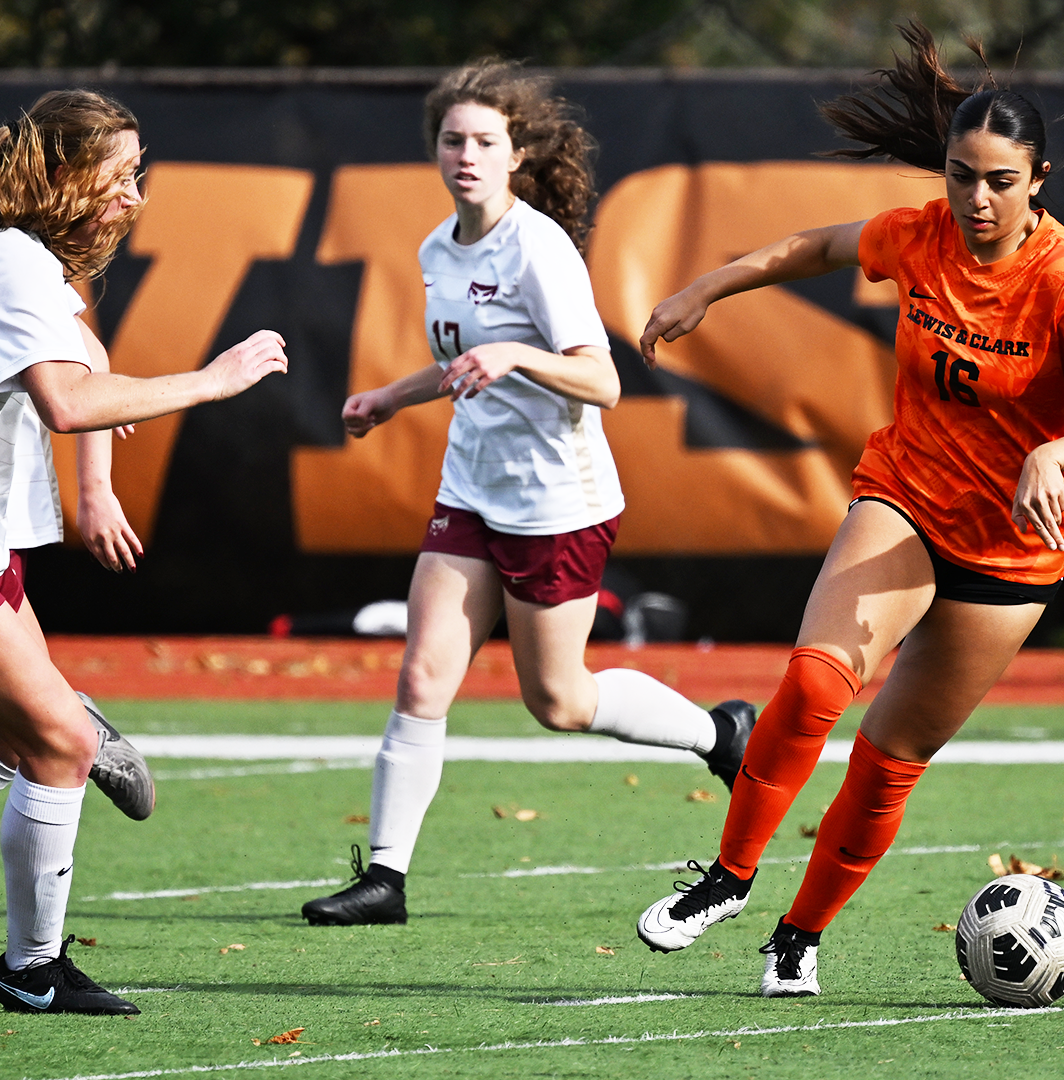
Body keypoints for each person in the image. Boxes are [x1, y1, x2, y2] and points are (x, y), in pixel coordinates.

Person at [632, 23, 1064, 997]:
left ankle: (798, 939)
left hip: (1011, 552)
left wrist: (1058, 450)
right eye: (962, 176)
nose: (977, 198)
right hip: (909, 497)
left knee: (888, 762)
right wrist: (708, 287)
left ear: (1038, 181)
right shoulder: (921, 236)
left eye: (1000, 181)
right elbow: (816, 246)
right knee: (814, 684)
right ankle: (729, 877)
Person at [301, 61, 754, 929]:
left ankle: (721, 734)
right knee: (422, 675)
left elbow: (602, 380)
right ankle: (385, 880)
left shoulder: (537, 247)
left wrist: (516, 354)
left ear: (517, 155)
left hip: (555, 502)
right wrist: (392, 396)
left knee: (559, 702)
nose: (466, 156)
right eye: (452, 140)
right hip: (471, 487)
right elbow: (461, 361)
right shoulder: (438, 248)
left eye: (484, 141)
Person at [0, 88, 290, 1013]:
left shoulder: (30, 262)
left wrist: (95, 487)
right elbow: (70, 401)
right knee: (56, 742)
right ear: (63, 172)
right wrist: (211, 382)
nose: (136, 195)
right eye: (120, 174)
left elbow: (85, 355)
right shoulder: (15, 259)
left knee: (30, 741)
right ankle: (31, 972)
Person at [2, 307, 153, 824]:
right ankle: (66, 714)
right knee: (28, 740)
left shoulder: (13, 263)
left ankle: (67, 718)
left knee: (47, 742)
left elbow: (76, 383)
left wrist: (95, 488)